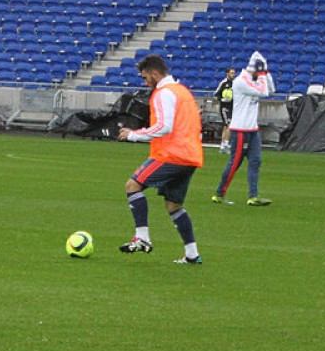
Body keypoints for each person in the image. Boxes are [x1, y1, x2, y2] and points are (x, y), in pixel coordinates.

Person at [117, 54, 205, 265]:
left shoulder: (163, 93)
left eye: (146, 77)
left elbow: (164, 126)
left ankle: (142, 237)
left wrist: (133, 135)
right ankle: (192, 254)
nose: (145, 81)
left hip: (171, 155)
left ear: (155, 73)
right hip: (190, 156)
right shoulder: (182, 92)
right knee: (173, 205)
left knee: (132, 185)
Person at [212, 51, 274, 206]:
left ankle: (253, 195)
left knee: (255, 162)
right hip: (240, 129)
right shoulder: (240, 82)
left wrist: (265, 73)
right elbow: (264, 92)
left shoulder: (252, 79)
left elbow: (271, 89)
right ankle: (219, 193)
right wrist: (262, 75)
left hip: (252, 129)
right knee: (234, 163)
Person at [212, 67, 236, 152]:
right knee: (229, 125)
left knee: (226, 127)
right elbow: (215, 95)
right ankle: (226, 144)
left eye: (234, 73)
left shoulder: (235, 83)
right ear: (227, 73)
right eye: (231, 72)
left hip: (232, 107)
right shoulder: (223, 83)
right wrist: (222, 99)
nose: (233, 74)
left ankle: (222, 146)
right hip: (224, 108)